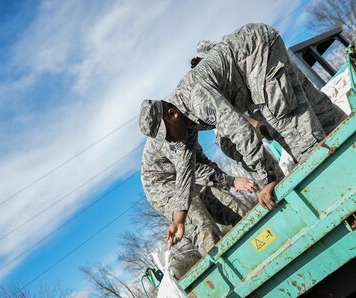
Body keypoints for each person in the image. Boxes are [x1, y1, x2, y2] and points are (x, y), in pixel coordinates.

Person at [139, 22, 345, 233]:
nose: (170, 140)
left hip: (257, 51)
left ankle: (343, 193)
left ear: (172, 114)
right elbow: (184, 171)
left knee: (291, 128)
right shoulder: (184, 124)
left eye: (167, 134)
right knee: (315, 109)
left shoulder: (195, 98)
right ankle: (349, 141)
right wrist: (179, 219)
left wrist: (269, 178)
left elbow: (240, 130)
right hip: (258, 54)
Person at [141, 129, 258, 255]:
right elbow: (189, 168)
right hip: (163, 189)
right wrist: (230, 181)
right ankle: (226, 266)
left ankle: (264, 243)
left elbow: (202, 161)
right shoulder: (168, 134)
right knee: (203, 225)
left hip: (191, 180)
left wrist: (230, 180)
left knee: (233, 206)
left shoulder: (188, 127)